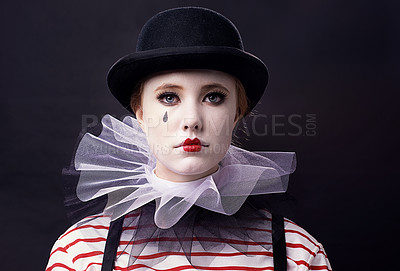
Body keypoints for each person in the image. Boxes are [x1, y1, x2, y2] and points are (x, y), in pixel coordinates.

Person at [46, 6, 332, 271]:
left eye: (213, 97)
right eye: (169, 97)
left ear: (237, 114)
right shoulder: (81, 249)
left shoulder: (298, 252)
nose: (192, 119)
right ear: (142, 115)